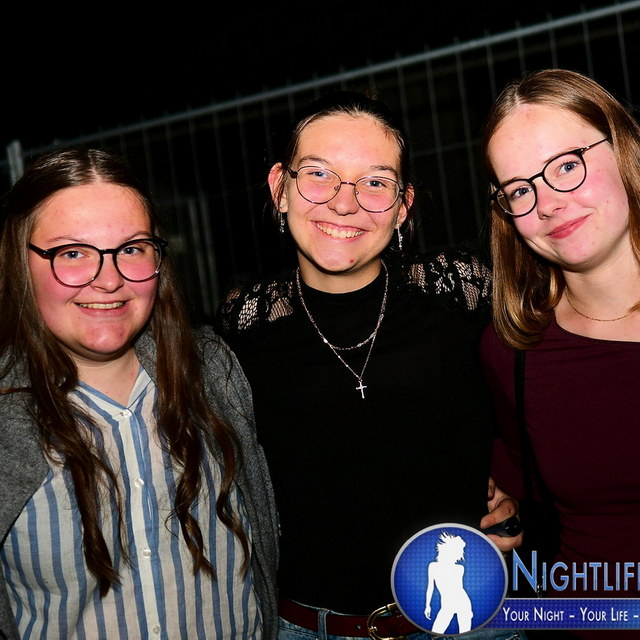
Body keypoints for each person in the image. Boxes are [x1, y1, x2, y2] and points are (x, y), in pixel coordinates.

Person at [218, 90, 524, 639]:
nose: (345, 203)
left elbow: (560, 393)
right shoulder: (243, 327)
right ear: (279, 188)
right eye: (319, 175)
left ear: (403, 206)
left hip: (472, 623)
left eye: (376, 182)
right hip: (306, 628)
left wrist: (525, 495)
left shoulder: (461, 294)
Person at [0, 147, 279, 640]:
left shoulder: (214, 375)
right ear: (20, 264)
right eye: (72, 253)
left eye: (131, 249)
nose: (109, 280)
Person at [480, 68, 640, 639]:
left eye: (567, 166)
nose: (548, 203)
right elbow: (514, 484)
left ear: (623, 150)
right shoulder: (514, 352)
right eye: (520, 190)